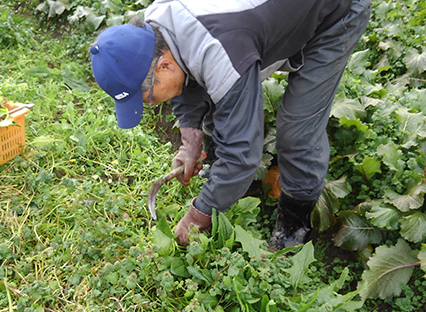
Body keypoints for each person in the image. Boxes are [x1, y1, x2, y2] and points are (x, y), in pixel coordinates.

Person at [90, 0, 371, 249]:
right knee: (221, 104)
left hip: (334, 12)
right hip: (273, 16)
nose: (150, 104)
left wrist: (198, 216)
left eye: (147, 97)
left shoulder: (219, 50)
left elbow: (241, 154)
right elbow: (187, 72)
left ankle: (294, 224)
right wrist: (191, 141)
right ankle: (226, 183)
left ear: (163, 66)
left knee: (297, 130)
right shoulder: (157, 25)